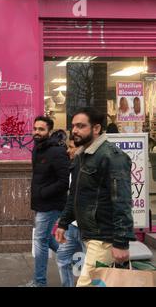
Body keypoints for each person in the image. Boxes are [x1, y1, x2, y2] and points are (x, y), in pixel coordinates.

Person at [55, 107, 135, 287]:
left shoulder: (112, 157)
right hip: (88, 234)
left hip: (104, 239)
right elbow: (74, 193)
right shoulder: (82, 155)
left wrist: (121, 242)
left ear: (96, 128)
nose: (74, 130)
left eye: (80, 126)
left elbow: (122, 201)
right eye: (73, 126)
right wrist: (63, 222)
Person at [23, 116, 70, 287]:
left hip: (51, 204)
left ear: (49, 131)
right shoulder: (38, 148)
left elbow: (64, 181)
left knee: (40, 240)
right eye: (35, 128)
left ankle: (40, 283)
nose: (36, 132)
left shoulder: (56, 151)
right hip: (41, 202)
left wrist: (43, 193)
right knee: (45, 238)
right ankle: (69, 256)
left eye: (41, 129)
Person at [56, 135, 85, 287]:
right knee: (62, 257)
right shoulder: (72, 166)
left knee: (88, 265)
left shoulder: (88, 168)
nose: (68, 151)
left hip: (88, 226)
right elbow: (71, 197)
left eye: (71, 147)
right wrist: (63, 222)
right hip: (72, 225)